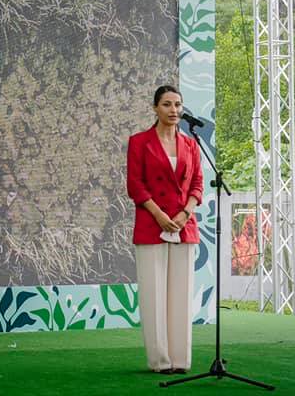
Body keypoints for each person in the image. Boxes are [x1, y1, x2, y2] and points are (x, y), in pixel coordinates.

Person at [126, 84, 203, 374]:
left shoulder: (191, 144)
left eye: (178, 105)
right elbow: (135, 185)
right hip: (151, 224)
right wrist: (159, 215)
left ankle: (180, 360)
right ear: (155, 108)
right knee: (154, 295)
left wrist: (185, 213)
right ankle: (160, 361)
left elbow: (197, 184)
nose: (174, 110)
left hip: (184, 225)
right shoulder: (139, 142)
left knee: (181, 296)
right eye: (167, 104)